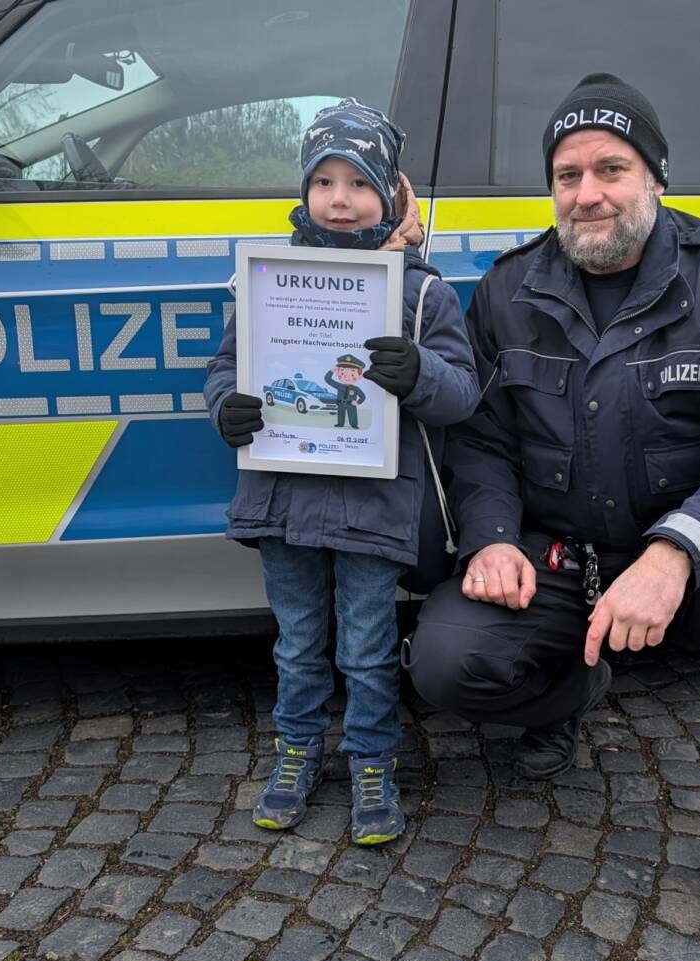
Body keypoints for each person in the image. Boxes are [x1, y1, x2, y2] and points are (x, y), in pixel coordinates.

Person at [404, 74, 700, 955]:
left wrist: (680, 549)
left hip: (699, 558)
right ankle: (567, 693)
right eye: (566, 175)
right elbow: (482, 440)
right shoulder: (508, 289)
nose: (587, 193)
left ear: (655, 177)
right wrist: (492, 539)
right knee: (446, 663)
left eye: (611, 168)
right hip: (564, 553)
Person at [204, 98, 479, 846]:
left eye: (358, 182)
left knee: (363, 644)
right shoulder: (262, 281)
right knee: (295, 641)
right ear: (303, 194)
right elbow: (227, 369)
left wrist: (417, 370)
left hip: (373, 509)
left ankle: (369, 757)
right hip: (282, 501)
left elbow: (462, 394)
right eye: (323, 181)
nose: (339, 198)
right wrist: (225, 406)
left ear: (390, 193)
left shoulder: (421, 293)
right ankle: (296, 749)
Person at [325, 354, 368, 428]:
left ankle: (354, 425)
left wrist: (358, 402)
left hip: (351, 404)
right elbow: (328, 379)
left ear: (360, 376)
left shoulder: (355, 388)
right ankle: (340, 424)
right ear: (338, 373)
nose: (347, 376)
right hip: (341, 404)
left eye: (352, 374)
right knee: (340, 414)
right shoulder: (339, 386)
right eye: (342, 373)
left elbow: (363, 396)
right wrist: (333, 370)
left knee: (352, 414)